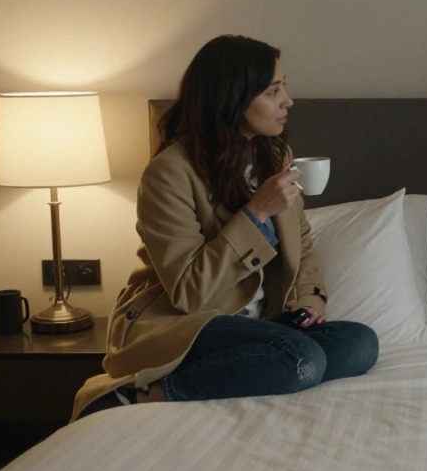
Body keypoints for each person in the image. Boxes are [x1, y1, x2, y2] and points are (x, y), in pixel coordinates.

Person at [73, 35, 378, 419]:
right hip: (185, 323)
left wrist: (306, 303)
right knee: (300, 357)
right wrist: (255, 215)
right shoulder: (170, 173)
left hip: (262, 325)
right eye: (274, 91)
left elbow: (301, 241)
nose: (288, 101)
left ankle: (256, 365)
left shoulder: (273, 154)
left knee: (360, 343)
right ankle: (141, 397)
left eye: (284, 87)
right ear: (233, 98)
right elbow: (189, 292)